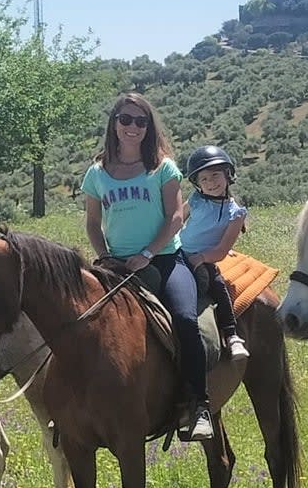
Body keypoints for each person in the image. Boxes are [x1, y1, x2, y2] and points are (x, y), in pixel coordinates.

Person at [81, 93, 214, 442]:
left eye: (141, 122)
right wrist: (105, 254)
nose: (133, 127)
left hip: (166, 260)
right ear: (114, 123)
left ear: (148, 127)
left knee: (185, 320)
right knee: (82, 322)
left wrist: (148, 252)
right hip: (116, 265)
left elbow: (174, 217)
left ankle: (198, 405)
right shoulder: (97, 174)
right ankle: (77, 406)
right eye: (126, 119)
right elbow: (93, 222)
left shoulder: (162, 168)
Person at [180, 145, 249, 364]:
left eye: (215, 176)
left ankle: (232, 335)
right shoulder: (196, 199)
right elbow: (178, 219)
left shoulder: (235, 213)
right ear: (197, 184)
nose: (211, 183)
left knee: (218, 286)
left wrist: (201, 258)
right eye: (204, 179)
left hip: (205, 256)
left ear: (228, 175)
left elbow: (221, 249)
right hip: (179, 251)